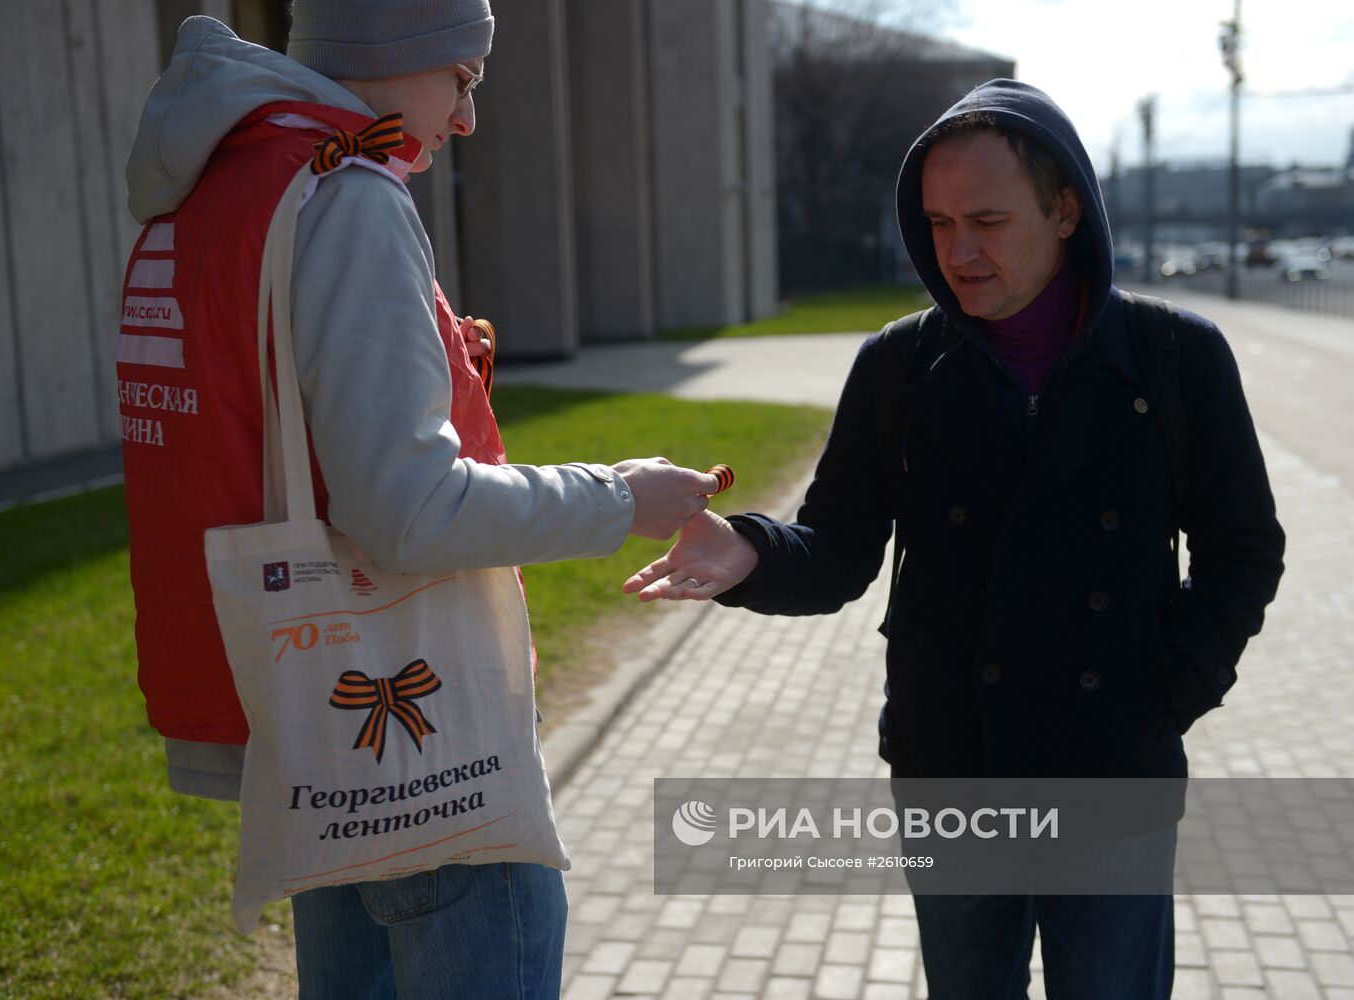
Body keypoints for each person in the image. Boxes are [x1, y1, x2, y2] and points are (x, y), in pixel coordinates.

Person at [625, 79, 1286, 997]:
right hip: (952, 771)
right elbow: (838, 549)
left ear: (1065, 211)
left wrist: (1168, 686)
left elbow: (1244, 547)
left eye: (986, 218)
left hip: (1111, 766)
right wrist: (747, 553)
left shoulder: (1176, 356)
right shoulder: (898, 365)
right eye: (937, 223)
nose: (958, 252)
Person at [118, 4, 719, 997]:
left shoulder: (226, 176)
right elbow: (408, 512)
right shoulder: (347, 194)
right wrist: (621, 496)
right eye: (464, 78)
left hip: (314, 721)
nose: (468, 117)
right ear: (390, 56)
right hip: (427, 742)